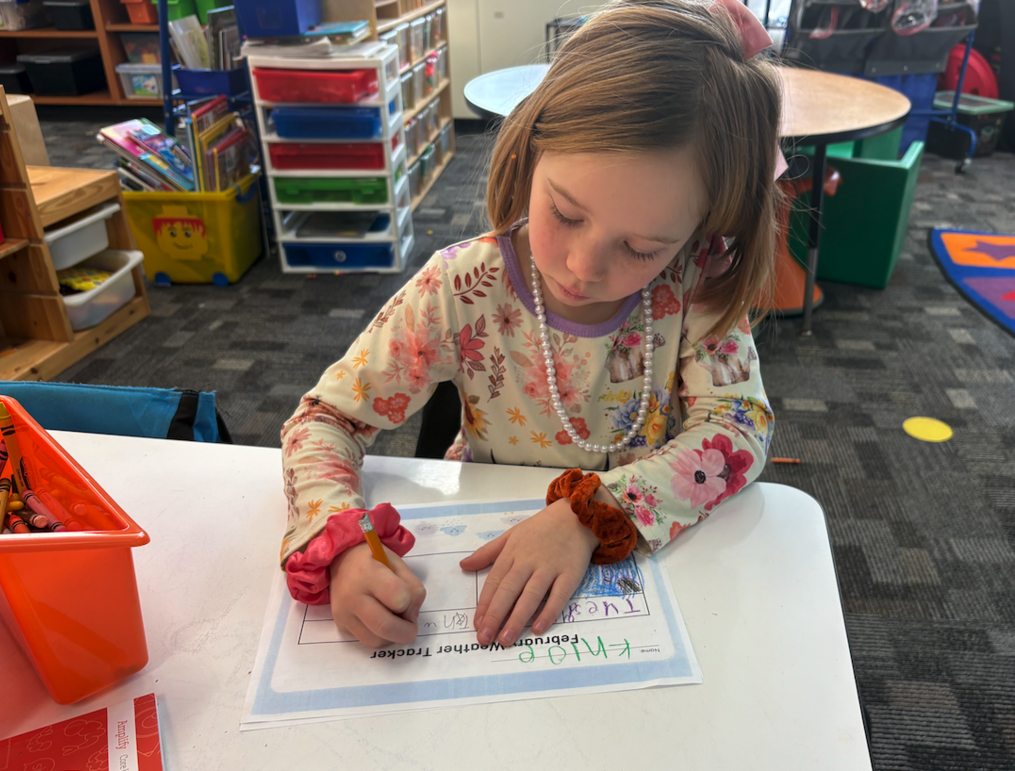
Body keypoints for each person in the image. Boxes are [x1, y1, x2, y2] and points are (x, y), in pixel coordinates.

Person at [280, 0, 782, 651]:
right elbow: (325, 420)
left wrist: (593, 513)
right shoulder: (462, 286)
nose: (581, 265)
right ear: (531, 146)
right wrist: (343, 543)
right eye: (567, 213)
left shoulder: (698, 284)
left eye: (642, 248)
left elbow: (739, 426)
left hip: (640, 571)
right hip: (476, 551)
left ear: (701, 229)